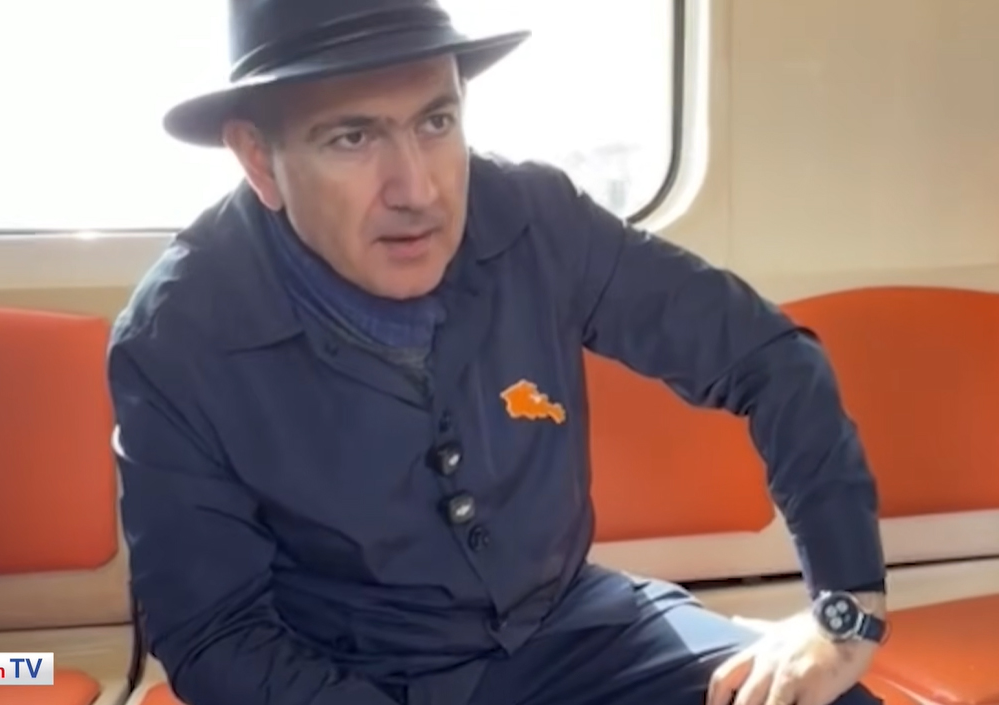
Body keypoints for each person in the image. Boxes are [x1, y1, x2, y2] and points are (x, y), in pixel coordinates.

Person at [107, 1, 890, 704]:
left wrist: (843, 610)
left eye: (435, 122)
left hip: (583, 630)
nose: (417, 189)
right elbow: (217, 635)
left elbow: (767, 357)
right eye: (353, 137)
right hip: (349, 675)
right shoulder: (177, 335)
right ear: (256, 157)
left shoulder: (539, 218)